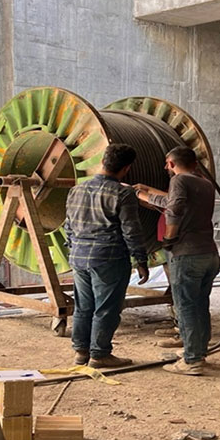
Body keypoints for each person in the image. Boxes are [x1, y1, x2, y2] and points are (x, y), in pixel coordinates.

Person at [134, 147, 220, 376]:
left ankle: (191, 361)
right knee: (200, 305)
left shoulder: (179, 181)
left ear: (172, 163)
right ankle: (198, 352)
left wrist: (169, 238)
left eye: (166, 164)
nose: (165, 168)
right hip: (209, 254)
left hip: (187, 254)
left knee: (185, 307)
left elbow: (174, 209)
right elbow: (174, 201)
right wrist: (145, 194)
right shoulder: (204, 183)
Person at [64, 143, 150, 368]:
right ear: (126, 169)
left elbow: (69, 227)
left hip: (79, 258)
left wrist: (73, 250)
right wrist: (141, 260)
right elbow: (131, 230)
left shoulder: (76, 190)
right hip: (109, 259)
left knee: (84, 306)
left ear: (103, 160)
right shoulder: (123, 193)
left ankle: (81, 352)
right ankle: (100, 355)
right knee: (106, 308)